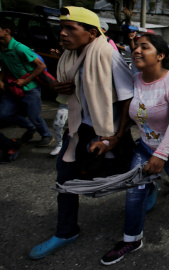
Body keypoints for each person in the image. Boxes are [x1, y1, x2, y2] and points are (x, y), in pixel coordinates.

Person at [29, 6, 135, 259]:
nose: (63, 34)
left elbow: (127, 97)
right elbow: (70, 90)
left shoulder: (107, 55)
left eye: (70, 28)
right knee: (64, 177)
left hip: (108, 129)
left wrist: (115, 137)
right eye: (61, 28)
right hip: (78, 128)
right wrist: (56, 86)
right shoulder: (69, 56)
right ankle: (66, 231)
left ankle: (147, 190)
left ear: (90, 33)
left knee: (122, 172)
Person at [100, 33, 169, 265]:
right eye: (136, 47)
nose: (137, 50)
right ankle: (132, 238)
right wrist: (114, 137)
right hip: (145, 146)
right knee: (134, 191)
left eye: (144, 47)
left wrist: (161, 154)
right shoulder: (135, 78)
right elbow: (126, 111)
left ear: (161, 55)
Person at [0, 18, 53, 147]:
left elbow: (40, 66)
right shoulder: (2, 49)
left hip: (31, 88)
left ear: (7, 31)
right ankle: (30, 127)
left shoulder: (20, 48)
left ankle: (46, 135)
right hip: (13, 87)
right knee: (4, 114)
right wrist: (0, 80)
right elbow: (5, 65)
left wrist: (26, 80)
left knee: (34, 115)